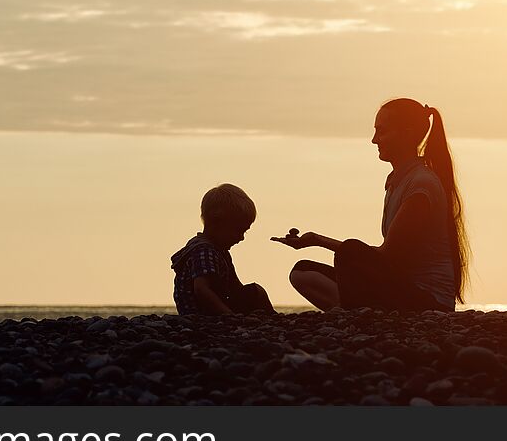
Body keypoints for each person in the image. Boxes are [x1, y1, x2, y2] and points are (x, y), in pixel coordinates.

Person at [272, 98, 471, 312]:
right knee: (303, 273)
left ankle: (358, 311)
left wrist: (319, 240)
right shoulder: (398, 181)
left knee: (350, 252)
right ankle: (359, 310)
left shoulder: (421, 184)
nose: (374, 140)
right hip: (398, 288)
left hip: (427, 301)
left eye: (382, 132)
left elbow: (386, 256)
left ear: (407, 133)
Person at [171, 183, 275, 315]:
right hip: (202, 315)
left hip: (213, 310)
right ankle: (273, 320)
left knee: (254, 293)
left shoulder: (220, 251)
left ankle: (270, 320)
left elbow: (236, 287)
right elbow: (202, 289)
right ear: (217, 222)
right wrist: (229, 316)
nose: (241, 237)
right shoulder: (204, 250)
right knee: (256, 292)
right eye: (238, 230)